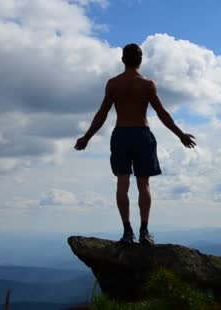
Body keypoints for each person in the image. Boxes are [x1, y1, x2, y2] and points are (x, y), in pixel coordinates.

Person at [74, 43, 196, 245]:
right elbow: (162, 114)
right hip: (142, 134)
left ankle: (127, 232)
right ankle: (144, 232)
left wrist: (86, 137)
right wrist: (180, 134)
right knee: (143, 184)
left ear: (123, 60)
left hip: (121, 134)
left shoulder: (113, 84)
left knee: (122, 182)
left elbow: (102, 114)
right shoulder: (147, 84)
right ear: (140, 60)